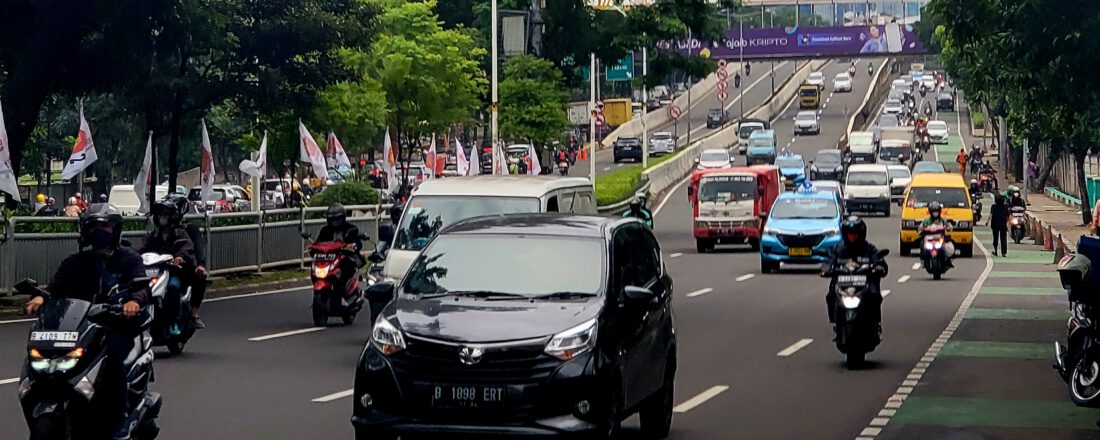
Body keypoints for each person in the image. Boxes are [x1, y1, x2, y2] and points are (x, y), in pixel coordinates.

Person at [24, 204, 149, 439]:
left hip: (115, 324)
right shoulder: (75, 262)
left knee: (114, 357)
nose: (99, 231)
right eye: (94, 226)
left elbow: (142, 288)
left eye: (105, 226)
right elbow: (54, 288)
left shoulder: (128, 259)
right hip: (79, 327)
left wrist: (133, 302)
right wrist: (40, 297)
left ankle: (120, 415)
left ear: (116, 230)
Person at [140, 194, 196, 336]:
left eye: (165, 214)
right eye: (160, 215)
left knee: (172, 288)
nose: (162, 217)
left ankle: (174, 321)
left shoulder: (180, 234)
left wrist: (180, 257)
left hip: (173, 272)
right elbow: (140, 249)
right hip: (153, 271)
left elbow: (187, 247)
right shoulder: (153, 236)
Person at [822, 216, 888, 324]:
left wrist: (879, 267)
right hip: (842, 285)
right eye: (850, 234)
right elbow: (828, 261)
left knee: (874, 295)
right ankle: (836, 322)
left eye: (854, 234)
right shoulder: (837, 250)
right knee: (831, 295)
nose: (852, 237)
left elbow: (879, 260)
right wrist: (826, 268)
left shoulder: (869, 249)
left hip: (864, 285)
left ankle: (874, 324)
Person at [316, 204, 364, 290]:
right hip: (329, 258)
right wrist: (313, 248)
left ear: (343, 218)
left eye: (337, 218)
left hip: (345, 256)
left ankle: (343, 289)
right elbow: (318, 243)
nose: (334, 221)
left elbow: (358, 243)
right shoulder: (325, 230)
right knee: (315, 268)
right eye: (331, 219)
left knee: (346, 265)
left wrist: (352, 246)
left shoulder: (350, 228)